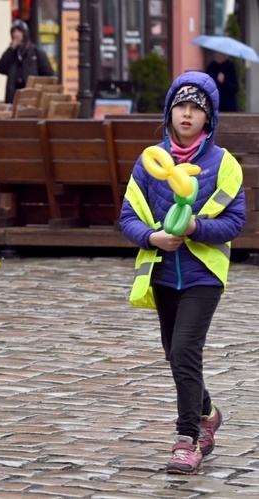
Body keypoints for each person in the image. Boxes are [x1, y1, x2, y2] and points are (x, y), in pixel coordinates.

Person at [119, 71, 246, 475]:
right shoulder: (150, 162)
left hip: (203, 274)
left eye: (197, 108)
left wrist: (196, 229)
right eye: (181, 106)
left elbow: (236, 222)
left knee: (185, 351)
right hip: (161, 273)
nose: (187, 114)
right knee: (175, 355)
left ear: (209, 118)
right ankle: (207, 412)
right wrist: (153, 238)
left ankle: (187, 438)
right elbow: (127, 217)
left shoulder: (223, 165)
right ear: (169, 112)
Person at [0, 19, 54, 103]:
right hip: (13, 99)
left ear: (24, 33)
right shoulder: (12, 54)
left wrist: (39, 89)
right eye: (13, 31)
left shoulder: (36, 53)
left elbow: (49, 75)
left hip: (31, 100)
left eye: (19, 31)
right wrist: (11, 50)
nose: (16, 34)